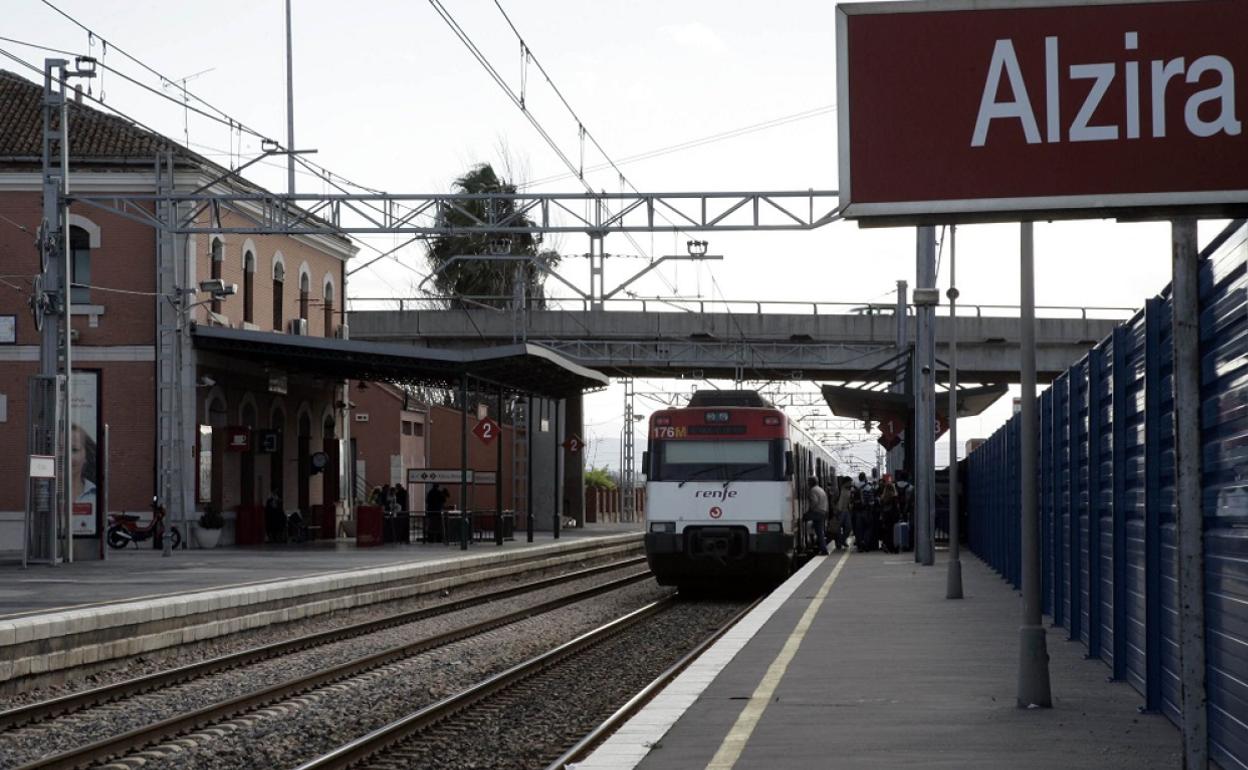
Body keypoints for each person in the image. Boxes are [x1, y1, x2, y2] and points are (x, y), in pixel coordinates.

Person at [803, 476, 830, 556]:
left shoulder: (812, 490)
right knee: (819, 531)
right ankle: (814, 539)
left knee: (803, 518)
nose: (807, 483)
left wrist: (809, 510)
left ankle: (822, 549)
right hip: (823, 512)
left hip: (817, 512)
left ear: (811, 482)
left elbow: (814, 501)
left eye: (808, 482)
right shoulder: (820, 489)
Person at [834, 477, 853, 550]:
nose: (851, 484)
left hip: (846, 510)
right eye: (850, 482)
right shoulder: (839, 490)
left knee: (849, 527)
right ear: (846, 482)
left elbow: (850, 500)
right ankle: (839, 543)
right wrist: (834, 509)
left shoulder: (849, 490)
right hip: (839, 511)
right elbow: (833, 500)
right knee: (837, 528)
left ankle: (842, 540)